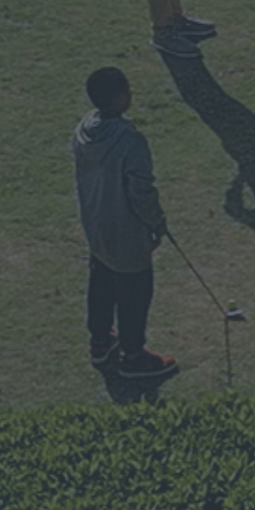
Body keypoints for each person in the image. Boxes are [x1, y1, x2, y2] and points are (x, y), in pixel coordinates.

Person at [73, 67, 180, 379]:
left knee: (101, 282)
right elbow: (141, 191)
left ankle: (100, 341)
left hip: (96, 225)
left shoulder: (83, 130)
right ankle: (133, 356)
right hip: (126, 231)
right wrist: (157, 224)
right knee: (135, 291)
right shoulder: (130, 141)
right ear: (120, 99)